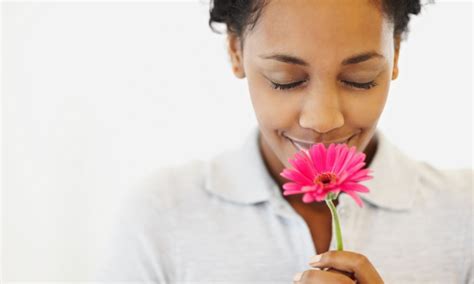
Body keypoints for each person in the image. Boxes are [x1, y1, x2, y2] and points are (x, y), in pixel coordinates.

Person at [94, 0, 473, 283]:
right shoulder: (162, 215)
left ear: (396, 55)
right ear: (236, 51)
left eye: (360, 78)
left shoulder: (463, 212)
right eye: (285, 79)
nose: (323, 120)